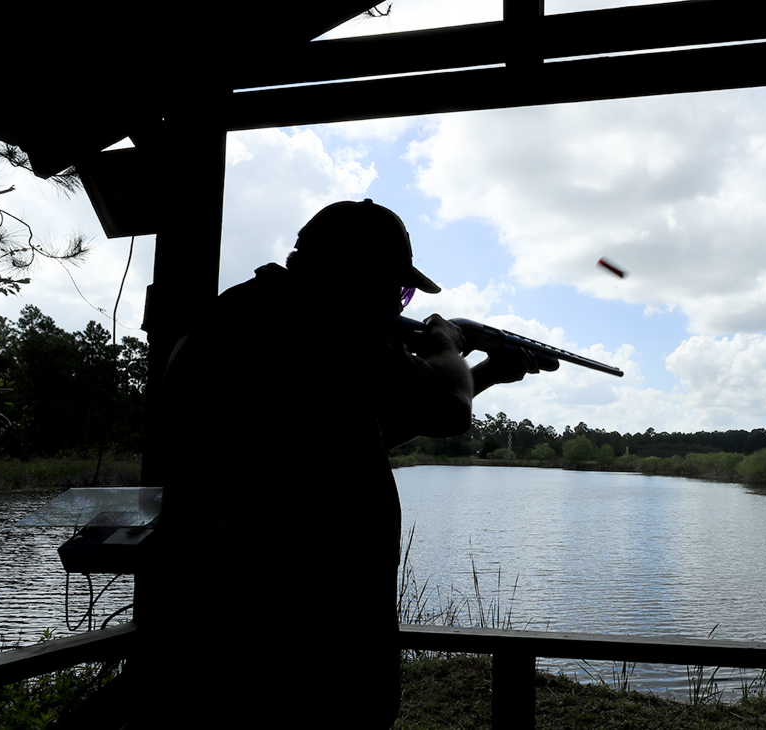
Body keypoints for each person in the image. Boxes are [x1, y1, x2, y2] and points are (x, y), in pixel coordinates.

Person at [146, 199, 536, 727]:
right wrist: (450, 342)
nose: (398, 307)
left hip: (238, 644)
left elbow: (366, 436)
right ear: (359, 275)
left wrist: (484, 374)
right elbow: (448, 408)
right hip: (293, 661)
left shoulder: (250, 315)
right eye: (398, 291)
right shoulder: (311, 318)